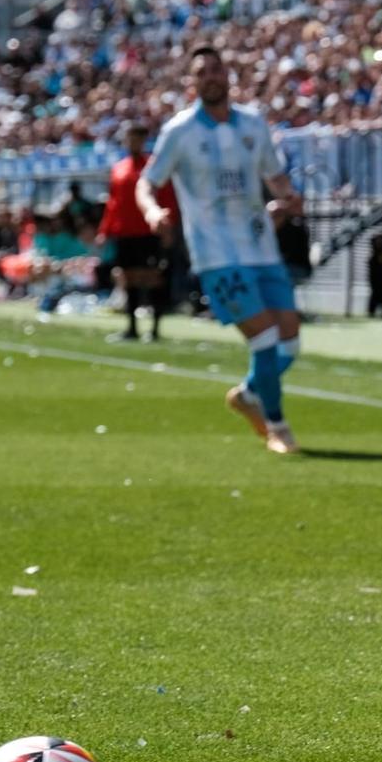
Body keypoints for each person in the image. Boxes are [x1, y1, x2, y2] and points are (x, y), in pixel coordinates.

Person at [138, 46, 306, 456]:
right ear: (192, 82)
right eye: (202, 72)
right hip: (215, 254)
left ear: (227, 76)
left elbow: (275, 175)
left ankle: (248, 395)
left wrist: (289, 198)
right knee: (265, 337)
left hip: (260, 243)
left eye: (217, 70)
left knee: (290, 343)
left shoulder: (252, 123)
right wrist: (152, 210)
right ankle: (276, 426)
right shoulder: (179, 131)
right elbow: (147, 182)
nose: (211, 77)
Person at [95, 122, 173, 343]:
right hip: (125, 232)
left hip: (149, 231)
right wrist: (105, 230)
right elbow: (113, 204)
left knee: (153, 278)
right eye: (129, 138)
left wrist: (168, 226)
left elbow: (166, 197)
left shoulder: (154, 167)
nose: (132, 143)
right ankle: (132, 328)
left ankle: (155, 329)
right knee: (128, 278)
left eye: (137, 138)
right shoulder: (119, 168)